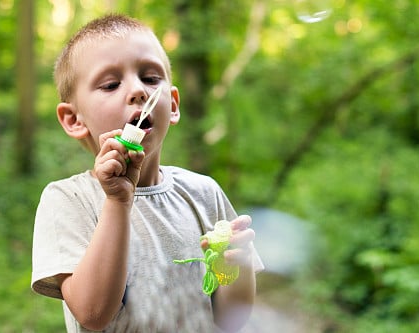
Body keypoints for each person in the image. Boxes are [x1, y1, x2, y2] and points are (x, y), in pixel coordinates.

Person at [31, 14, 264, 332]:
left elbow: (231, 319)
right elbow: (93, 314)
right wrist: (117, 200)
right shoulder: (68, 200)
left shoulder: (204, 193)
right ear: (74, 119)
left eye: (151, 79)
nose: (138, 91)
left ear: (173, 104)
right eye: (111, 84)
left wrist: (234, 268)